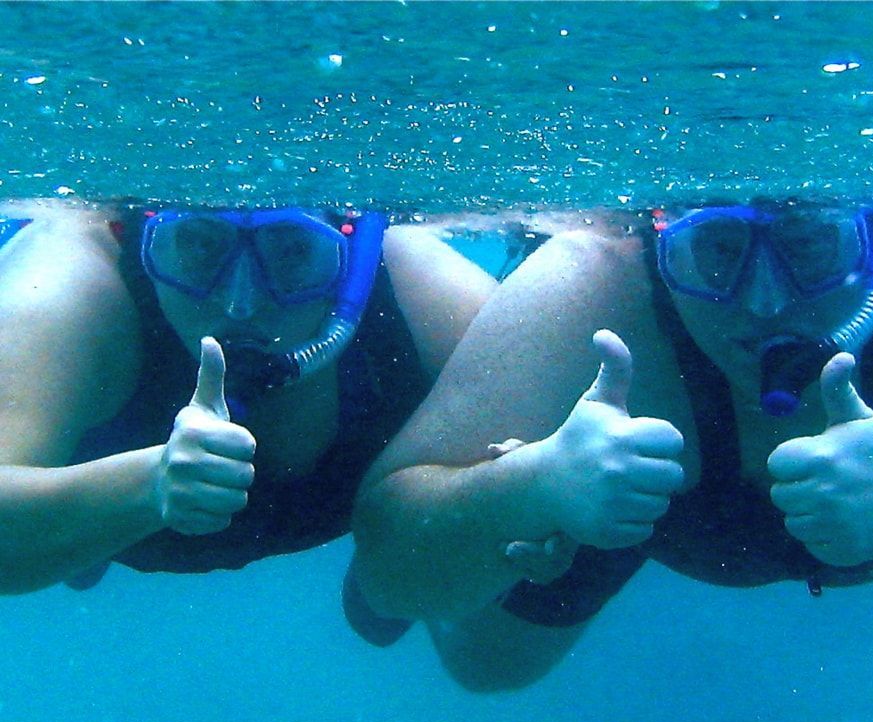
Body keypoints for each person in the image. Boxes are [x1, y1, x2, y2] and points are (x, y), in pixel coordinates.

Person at [350, 201, 873, 690]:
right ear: (662, 238)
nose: (767, 302)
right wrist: (528, 486)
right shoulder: (597, 280)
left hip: (662, 490)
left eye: (810, 248)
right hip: (602, 497)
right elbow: (388, 575)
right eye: (717, 251)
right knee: (487, 669)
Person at [0, 199, 504, 645]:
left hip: (368, 520)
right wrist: (143, 485)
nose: (240, 302)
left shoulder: (420, 287)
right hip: (106, 521)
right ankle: (78, 543)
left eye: (292, 252)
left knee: (431, 625)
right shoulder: (67, 279)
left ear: (352, 251)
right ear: (145, 232)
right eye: (196, 244)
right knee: (57, 551)